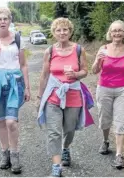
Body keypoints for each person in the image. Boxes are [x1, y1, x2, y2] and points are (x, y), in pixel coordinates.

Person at [36, 17, 90, 177]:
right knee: (54, 132)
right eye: (58, 30)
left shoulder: (79, 49)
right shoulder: (50, 51)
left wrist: (76, 74)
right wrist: (39, 98)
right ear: (54, 32)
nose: (62, 32)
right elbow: (44, 76)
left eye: (65, 29)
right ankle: (56, 167)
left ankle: (66, 148)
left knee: (69, 129)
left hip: (73, 95)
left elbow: (86, 71)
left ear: (70, 31)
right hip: (53, 96)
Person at [0, 7, 30, 174]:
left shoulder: (18, 39)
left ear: (10, 21)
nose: (2, 21)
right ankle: (5, 153)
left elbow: (23, 65)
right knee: (1, 121)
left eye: (5, 18)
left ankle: (15, 154)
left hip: (14, 84)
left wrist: (27, 87)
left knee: (11, 122)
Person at [91, 20, 124, 169]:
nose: (117, 33)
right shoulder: (103, 48)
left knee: (121, 120)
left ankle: (119, 155)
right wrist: (97, 60)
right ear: (110, 33)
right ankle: (105, 141)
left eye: (120, 30)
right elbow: (94, 71)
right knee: (105, 119)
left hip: (122, 90)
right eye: (114, 31)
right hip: (104, 89)